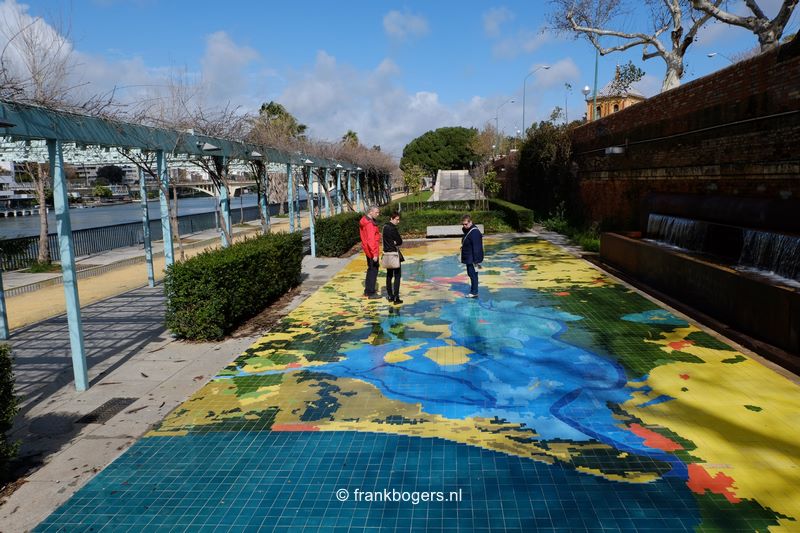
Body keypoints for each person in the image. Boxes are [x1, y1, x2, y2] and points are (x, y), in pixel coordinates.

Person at [359, 205, 382, 299]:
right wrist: (374, 254)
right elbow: (371, 240)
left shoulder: (364, 220)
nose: (378, 214)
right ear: (370, 212)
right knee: (373, 270)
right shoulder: (369, 224)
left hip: (368, 249)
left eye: (378, 212)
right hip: (371, 250)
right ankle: (371, 292)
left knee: (370, 269)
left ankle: (367, 291)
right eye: (376, 212)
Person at [382, 212, 404, 304]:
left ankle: (390, 296)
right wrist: (395, 242)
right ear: (392, 218)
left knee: (389, 275)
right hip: (394, 254)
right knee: (397, 276)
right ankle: (396, 297)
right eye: (397, 219)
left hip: (386, 254)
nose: (398, 221)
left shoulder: (384, 227)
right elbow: (399, 241)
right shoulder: (393, 228)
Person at [460, 214, 484, 298]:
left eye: (466, 224)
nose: (464, 226)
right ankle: (474, 291)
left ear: (471, 222)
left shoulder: (474, 232)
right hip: (469, 257)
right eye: (463, 224)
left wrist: (476, 261)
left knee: (473, 274)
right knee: (471, 274)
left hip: (472, 258)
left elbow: (477, 247)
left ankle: (474, 292)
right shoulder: (469, 230)